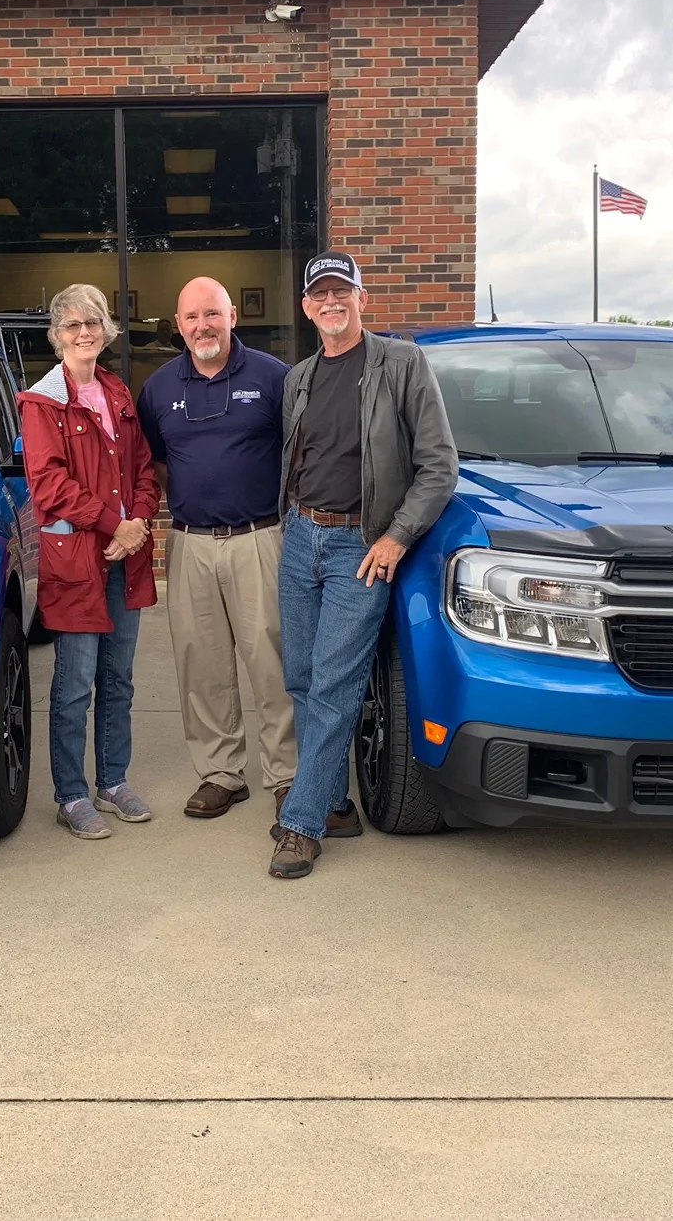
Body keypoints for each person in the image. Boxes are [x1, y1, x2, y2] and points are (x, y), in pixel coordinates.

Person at [270, 251, 459, 879]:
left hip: (361, 546)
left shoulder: (401, 363)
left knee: (332, 683)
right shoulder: (299, 377)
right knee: (300, 676)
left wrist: (396, 537)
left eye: (340, 292)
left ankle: (300, 825)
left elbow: (439, 467)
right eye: (320, 294)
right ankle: (336, 804)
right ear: (305, 306)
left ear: (361, 297)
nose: (331, 303)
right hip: (301, 536)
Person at [137, 277, 298, 822]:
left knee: (271, 661)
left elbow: (301, 453)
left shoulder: (274, 378)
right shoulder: (159, 387)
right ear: (177, 325)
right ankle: (221, 773)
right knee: (200, 664)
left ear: (233, 315)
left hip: (260, 539)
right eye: (190, 318)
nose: (202, 326)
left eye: (212, 314)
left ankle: (287, 775)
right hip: (189, 543)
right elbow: (156, 463)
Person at [17, 283, 163, 839]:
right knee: (74, 684)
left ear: (106, 330)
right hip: (78, 560)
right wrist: (114, 524)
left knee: (117, 680)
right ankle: (71, 795)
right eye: (73, 325)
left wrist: (139, 524)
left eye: (93, 323)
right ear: (57, 336)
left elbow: (145, 468)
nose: (85, 333)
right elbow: (49, 487)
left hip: (125, 556)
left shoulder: (117, 392)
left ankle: (113, 781)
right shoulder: (41, 402)